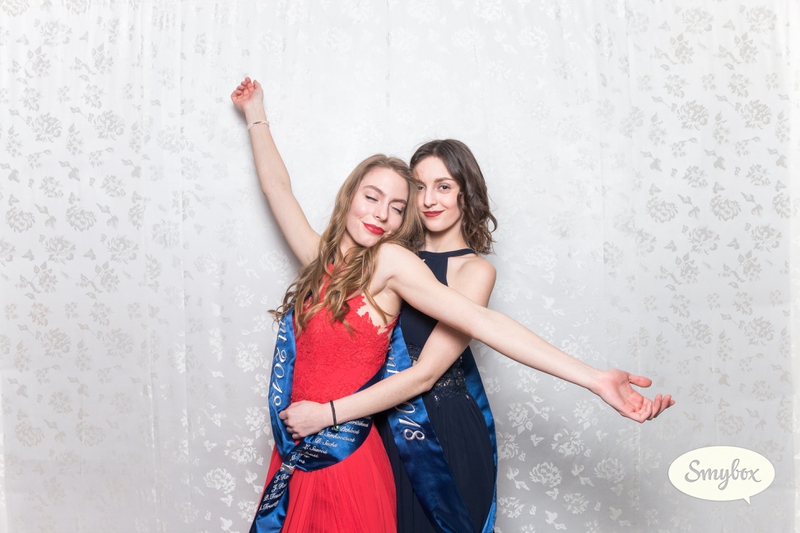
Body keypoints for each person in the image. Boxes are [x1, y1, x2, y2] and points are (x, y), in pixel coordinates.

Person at [231, 77, 673, 533]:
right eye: (373, 197)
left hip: (363, 438)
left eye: (397, 206)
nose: (382, 213)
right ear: (349, 197)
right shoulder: (325, 259)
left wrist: (595, 378)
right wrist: (255, 111)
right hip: (310, 443)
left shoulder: (392, 262)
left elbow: (481, 322)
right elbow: (278, 189)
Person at [283, 138, 500, 533]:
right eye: (419, 187)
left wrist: (592, 378)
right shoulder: (378, 255)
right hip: (381, 423)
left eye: (444, 186)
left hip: (440, 430)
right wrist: (256, 116)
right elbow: (281, 197)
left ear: (466, 193)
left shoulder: (474, 271)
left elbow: (426, 372)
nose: (429, 199)